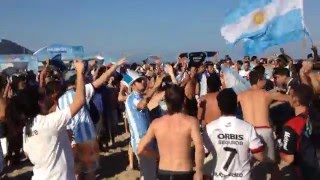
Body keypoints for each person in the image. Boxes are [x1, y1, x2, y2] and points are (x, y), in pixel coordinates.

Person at [57, 58, 126, 180]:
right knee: (90, 172)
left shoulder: (59, 100)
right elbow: (101, 80)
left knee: (77, 171)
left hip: (71, 141)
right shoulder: (83, 91)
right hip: (87, 138)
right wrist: (115, 66)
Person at [22, 60, 86, 180]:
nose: (48, 96)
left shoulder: (28, 126)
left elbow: (27, 153)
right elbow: (80, 100)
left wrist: (56, 137)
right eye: (45, 95)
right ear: (40, 103)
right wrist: (79, 72)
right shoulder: (51, 122)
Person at [137, 84, 204, 180]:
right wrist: (199, 171)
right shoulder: (191, 122)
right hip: (184, 171)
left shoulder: (156, 123)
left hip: (163, 171)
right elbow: (199, 148)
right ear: (184, 101)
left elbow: (140, 149)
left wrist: (157, 155)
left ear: (166, 102)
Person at [237, 70, 290, 179]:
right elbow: (289, 99)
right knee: (271, 163)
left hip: (248, 131)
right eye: (264, 79)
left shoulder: (241, 95)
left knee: (247, 164)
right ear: (259, 80)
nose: (265, 81)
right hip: (264, 129)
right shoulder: (267, 94)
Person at [203, 88, 264, 180]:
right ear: (236, 105)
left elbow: (202, 153)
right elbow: (260, 156)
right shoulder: (247, 127)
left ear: (219, 106)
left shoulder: (210, 128)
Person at [125, 70, 164, 179]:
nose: (142, 81)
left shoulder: (138, 96)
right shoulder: (133, 98)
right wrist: (156, 86)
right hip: (141, 141)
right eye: (138, 80)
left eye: (142, 79)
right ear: (132, 85)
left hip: (146, 139)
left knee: (149, 171)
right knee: (148, 173)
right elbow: (142, 104)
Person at [279, 84, 319, 179]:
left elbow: (289, 158)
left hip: (308, 172)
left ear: (296, 100)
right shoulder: (316, 116)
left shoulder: (291, 125)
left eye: (291, 96)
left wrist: (280, 150)